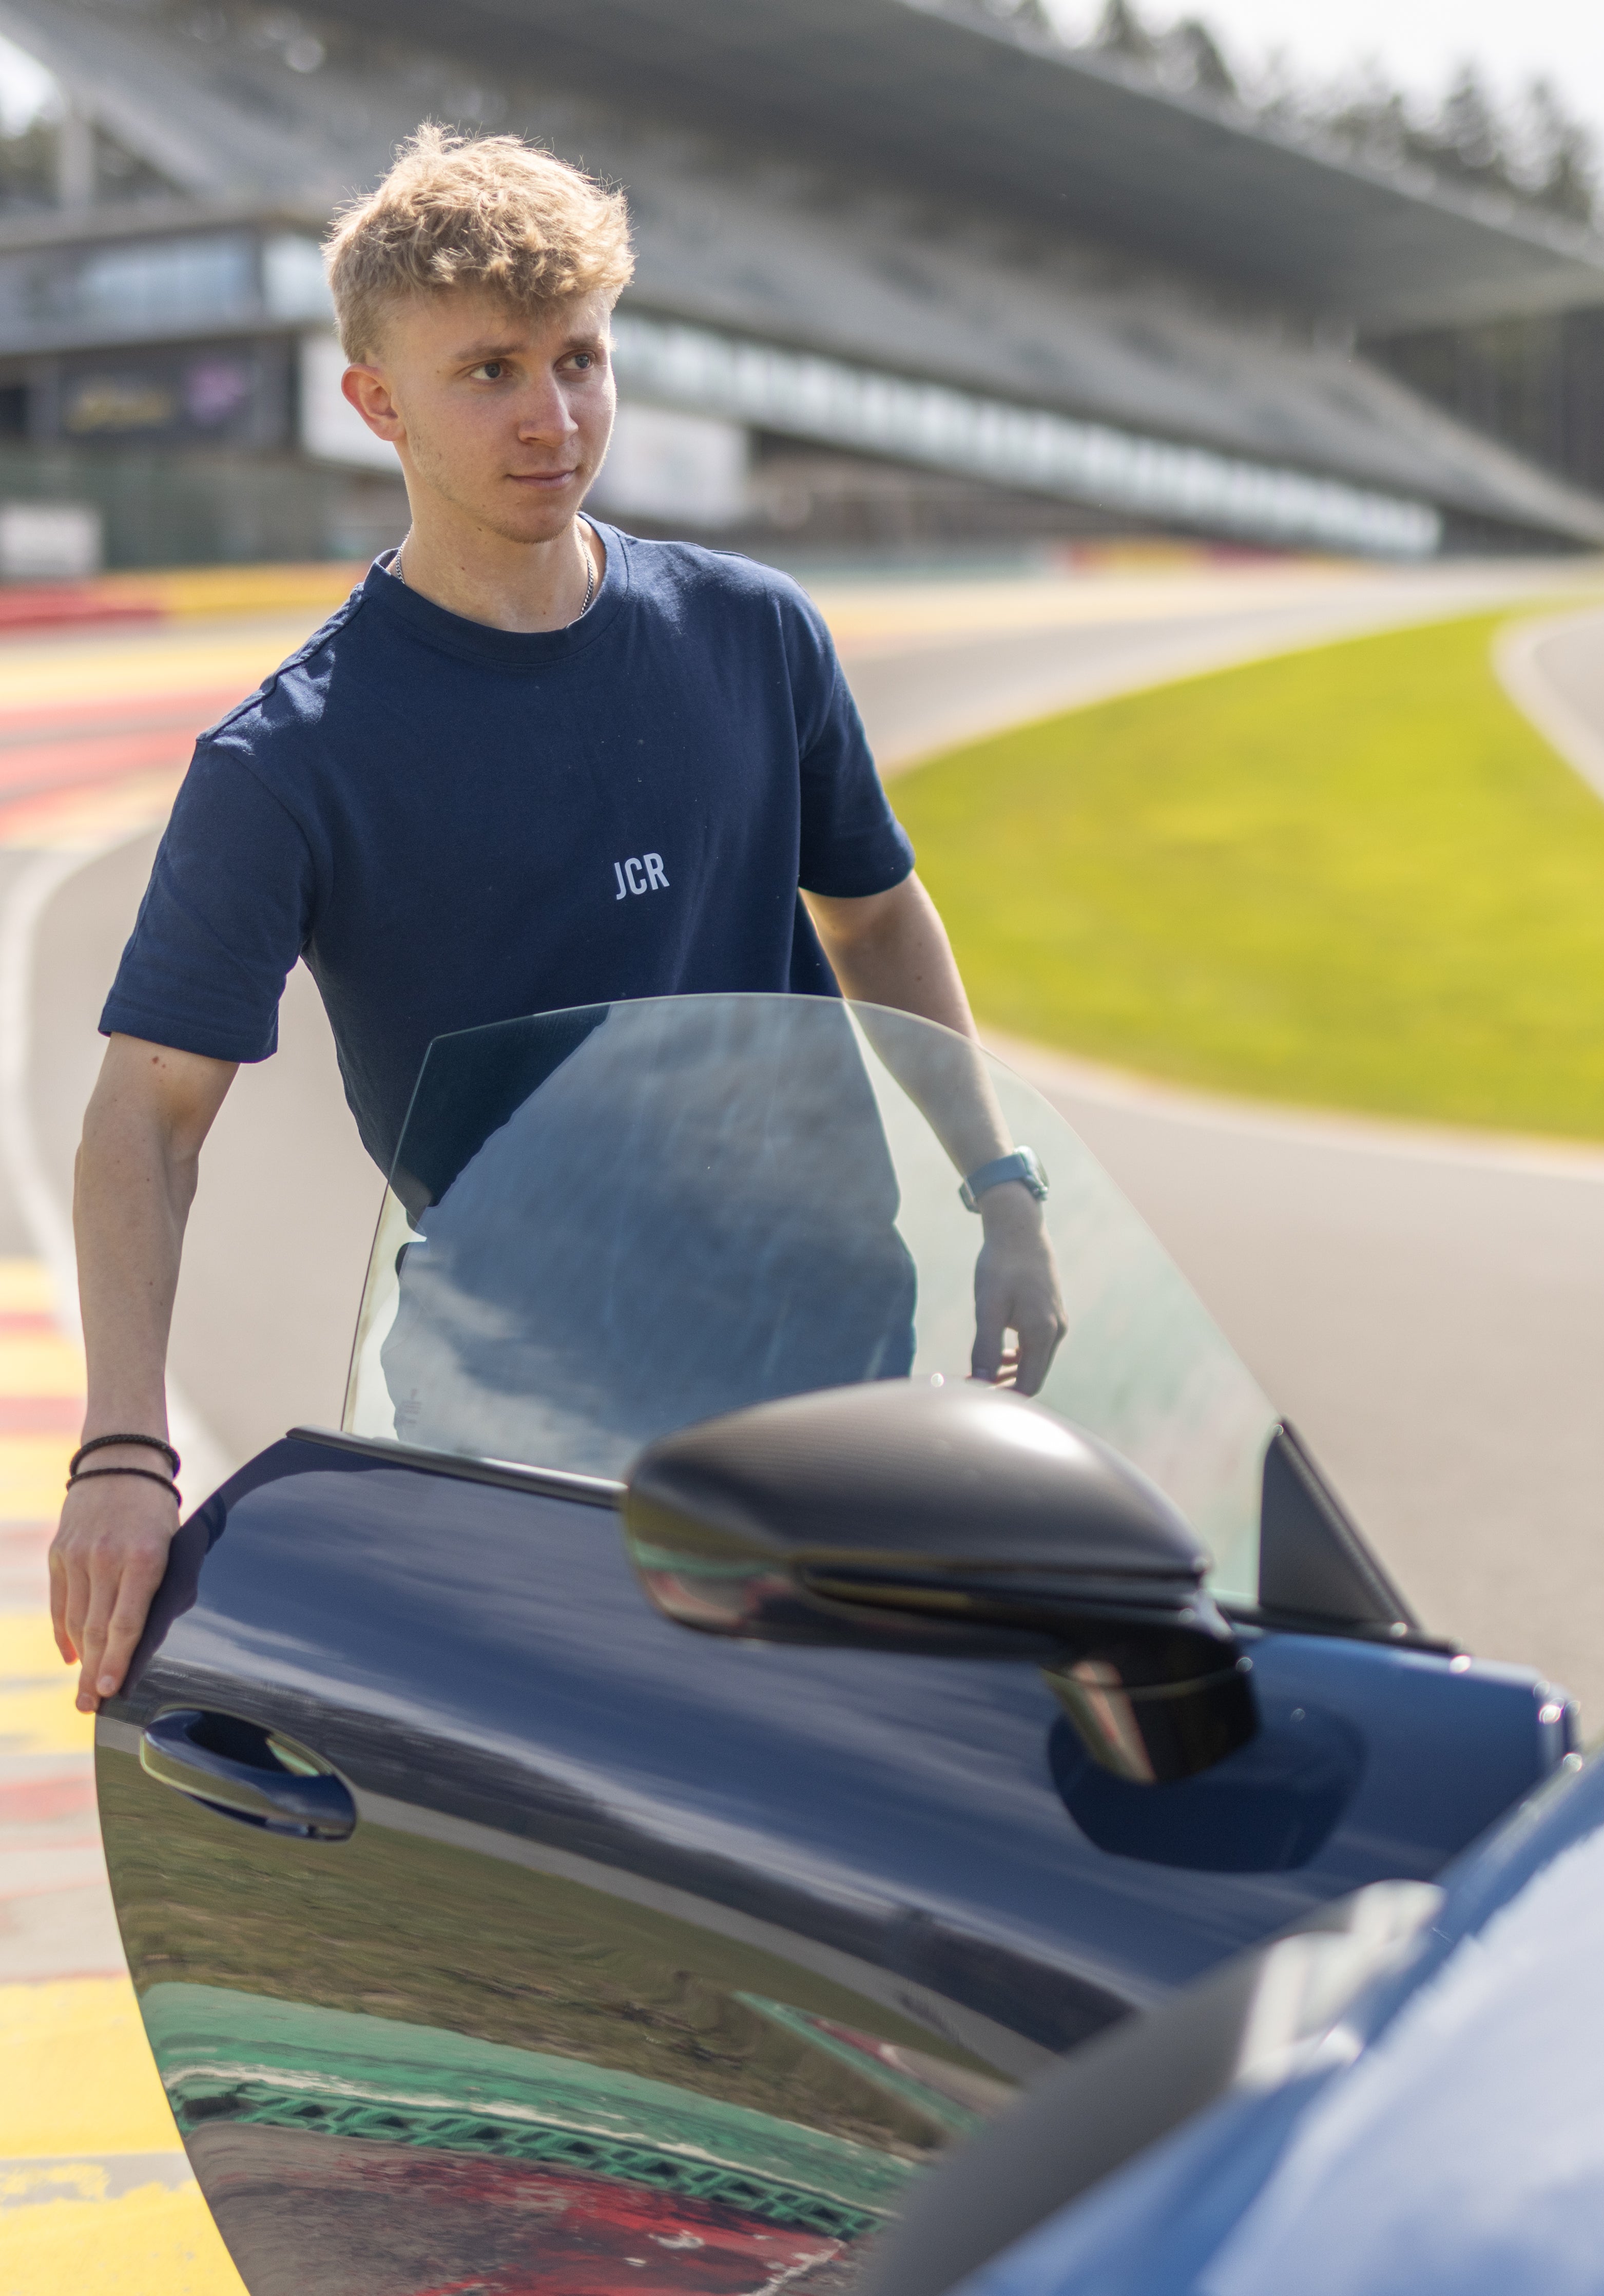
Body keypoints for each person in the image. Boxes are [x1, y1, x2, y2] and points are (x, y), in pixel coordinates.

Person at [49, 125, 1065, 1716]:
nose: (555, 416)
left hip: (835, 1365)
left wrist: (999, 1190)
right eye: (492, 373)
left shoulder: (755, 633)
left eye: (581, 360)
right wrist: (123, 1446)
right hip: (524, 1433)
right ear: (375, 402)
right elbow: (147, 1116)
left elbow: (874, 921)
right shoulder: (289, 759)